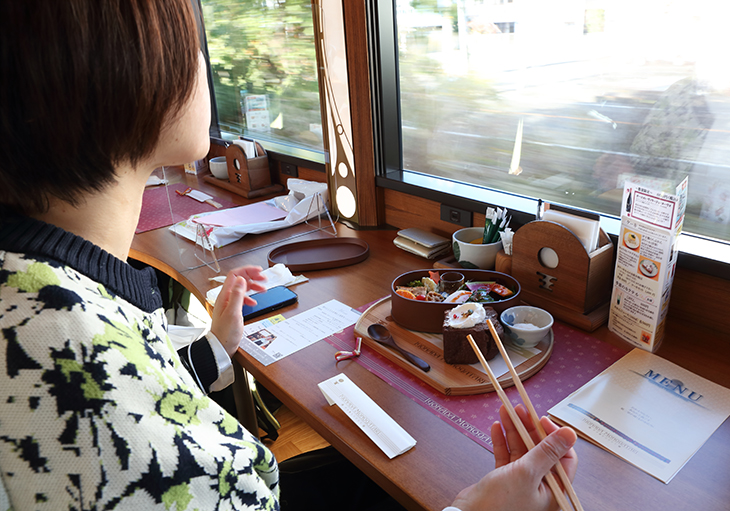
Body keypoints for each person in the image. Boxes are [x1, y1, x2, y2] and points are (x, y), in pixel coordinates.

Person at [0, 2, 577, 510]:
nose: (203, 66)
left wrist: (214, 348)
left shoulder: (42, 293)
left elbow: (148, 392)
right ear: (114, 78)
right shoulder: (85, 380)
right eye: (192, 47)